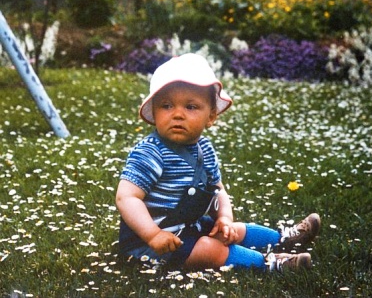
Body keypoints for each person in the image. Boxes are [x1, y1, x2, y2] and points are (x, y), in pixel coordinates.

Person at [116, 53, 321, 272]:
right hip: (151, 244)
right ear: (154, 112)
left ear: (211, 116)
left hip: (187, 228)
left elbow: (218, 190)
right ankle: (269, 263)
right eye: (166, 106)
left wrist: (224, 218)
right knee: (209, 249)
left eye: (191, 107)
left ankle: (284, 239)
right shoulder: (150, 152)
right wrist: (153, 235)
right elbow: (126, 197)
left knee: (235, 230)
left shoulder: (205, 150)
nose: (177, 114)